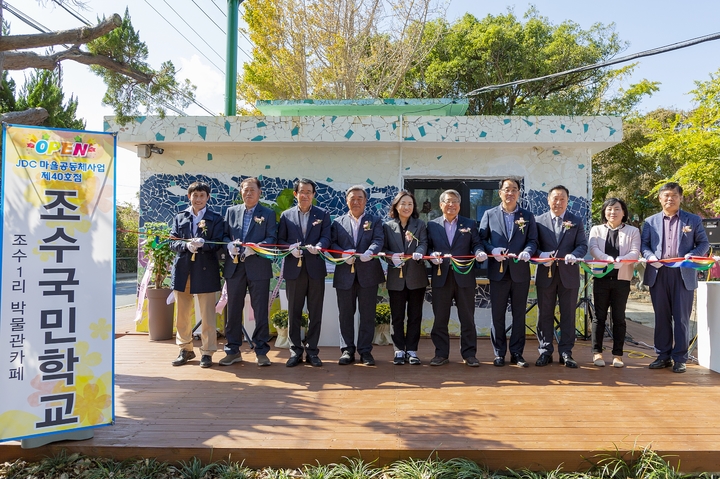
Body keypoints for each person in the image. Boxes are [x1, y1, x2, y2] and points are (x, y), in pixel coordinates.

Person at [641, 182, 709, 373]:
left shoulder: (693, 220)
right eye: (666, 195)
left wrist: (692, 255)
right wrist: (650, 256)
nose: (670, 199)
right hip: (658, 272)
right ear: (660, 198)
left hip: (683, 273)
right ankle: (663, 356)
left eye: (674, 195)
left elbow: (703, 244)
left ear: (680, 198)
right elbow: (644, 245)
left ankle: (680, 358)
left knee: (681, 318)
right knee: (661, 317)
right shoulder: (650, 221)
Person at [479, 178, 538, 368]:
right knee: (497, 315)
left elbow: (533, 240)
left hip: (520, 272)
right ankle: (499, 353)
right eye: (507, 189)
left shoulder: (527, 215)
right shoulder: (489, 214)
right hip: (498, 272)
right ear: (500, 193)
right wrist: (492, 251)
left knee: (519, 314)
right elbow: (480, 240)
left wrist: (528, 251)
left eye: (514, 189)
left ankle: (517, 353)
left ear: (519, 193)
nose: (510, 193)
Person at [426, 189, 488, 367]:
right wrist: (432, 254)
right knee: (440, 318)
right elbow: (427, 247)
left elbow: (476, 244)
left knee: (467, 317)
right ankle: (441, 354)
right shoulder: (432, 225)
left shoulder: (469, 224)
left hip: (464, 277)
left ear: (459, 205)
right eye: (447, 201)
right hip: (441, 277)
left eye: (455, 201)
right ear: (441, 205)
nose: (451, 204)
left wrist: (479, 252)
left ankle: (469, 354)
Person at [220, 177, 278, 367]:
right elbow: (223, 235)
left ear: (259, 192)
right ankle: (233, 350)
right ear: (241, 192)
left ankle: (261, 350)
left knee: (260, 310)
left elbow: (272, 238)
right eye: (245, 190)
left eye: (252, 190)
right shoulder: (231, 212)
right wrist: (229, 244)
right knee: (234, 310)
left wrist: (257, 247)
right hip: (235, 267)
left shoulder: (268, 214)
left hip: (258, 267)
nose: (249, 193)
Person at [168, 181, 224, 368]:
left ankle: (207, 352)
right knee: (182, 314)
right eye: (195, 195)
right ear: (188, 197)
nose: (198, 199)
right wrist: (185, 245)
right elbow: (172, 241)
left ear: (208, 197)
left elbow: (218, 243)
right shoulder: (180, 217)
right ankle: (185, 348)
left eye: (202, 195)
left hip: (206, 270)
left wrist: (203, 243)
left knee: (208, 314)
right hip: (183, 269)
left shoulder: (215, 218)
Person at [277, 178, 331, 367]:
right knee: (294, 312)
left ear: (313, 195)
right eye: (302, 192)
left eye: (309, 192)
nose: (305, 195)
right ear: (295, 194)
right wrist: (289, 248)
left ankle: (313, 351)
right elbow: (280, 240)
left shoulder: (323, 214)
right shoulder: (286, 215)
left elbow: (326, 237)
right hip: (294, 269)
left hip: (315, 268)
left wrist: (320, 246)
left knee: (315, 312)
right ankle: (295, 351)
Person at [330, 185, 385, 366]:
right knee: (345, 314)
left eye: (359, 198)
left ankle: (365, 351)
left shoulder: (375, 220)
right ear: (347, 201)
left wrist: (369, 252)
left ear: (365, 201)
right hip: (345, 274)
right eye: (352, 198)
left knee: (367, 314)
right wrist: (342, 254)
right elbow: (332, 244)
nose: (356, 202)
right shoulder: (337, 222)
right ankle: (347, 350)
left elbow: (378, 240)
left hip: (368, 273)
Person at [534, 185, 588, 368]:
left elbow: (582, 245)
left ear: (568, 201)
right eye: (555, 198)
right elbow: (533, 245)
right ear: (548, 200)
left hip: (569, 275)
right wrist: (541, 256)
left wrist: (575, 254)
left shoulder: (576, 220)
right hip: (546, 273)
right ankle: (545, 351)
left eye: (562, 198)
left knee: (568, 315)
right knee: (544, 314)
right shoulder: (538, 221)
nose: (558, 202)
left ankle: (566, 352)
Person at [588, 197, 640, 368]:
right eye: (609, 209)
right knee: (599, 317)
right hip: (601, 278)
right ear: (604, 212)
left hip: (622, 279)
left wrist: (620, 261)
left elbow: (635, 252)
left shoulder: (633, 231)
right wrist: (607, 259)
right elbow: (593, 249)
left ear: (623, 212)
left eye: (617, 209)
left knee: (619, 317)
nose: (613, 212)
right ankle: (597, 353)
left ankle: (618, 355)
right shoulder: (596, 229)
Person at [382, 190, 429, 365]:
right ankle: (399, 350)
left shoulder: (420, 225)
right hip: (396, 277)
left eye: (410, 204)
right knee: (397, 316)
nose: (406, 207)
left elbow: (424, 243)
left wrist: (419, 252)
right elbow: (383, 248)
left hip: (416, 277)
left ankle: (412, 350)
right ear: (396, 205)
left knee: (415, 315)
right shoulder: (387, 226)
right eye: (403, 203)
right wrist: (391, 256)